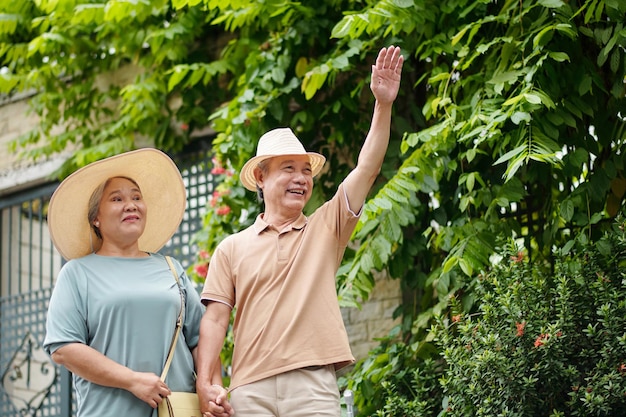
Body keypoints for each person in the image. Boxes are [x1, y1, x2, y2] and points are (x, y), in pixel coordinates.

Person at [196, 45, 404, 416]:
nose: (300, 178)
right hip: (249, 390)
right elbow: (214, 319)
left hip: (313, 387)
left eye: (306, 170)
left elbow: (367, 168)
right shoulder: (231, 248)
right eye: (288, 169)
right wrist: (206, 383)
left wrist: (383, 104)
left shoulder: (327, 225)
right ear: (261, 177)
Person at [43, 148, 233, 417]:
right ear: (95, 217)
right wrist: (131, 380)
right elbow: (64, 349)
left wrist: (212, 390)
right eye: (117, 198)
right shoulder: (77, 274)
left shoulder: (171, 269)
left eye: (136, 197)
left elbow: (201, 341)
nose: (131, 204)